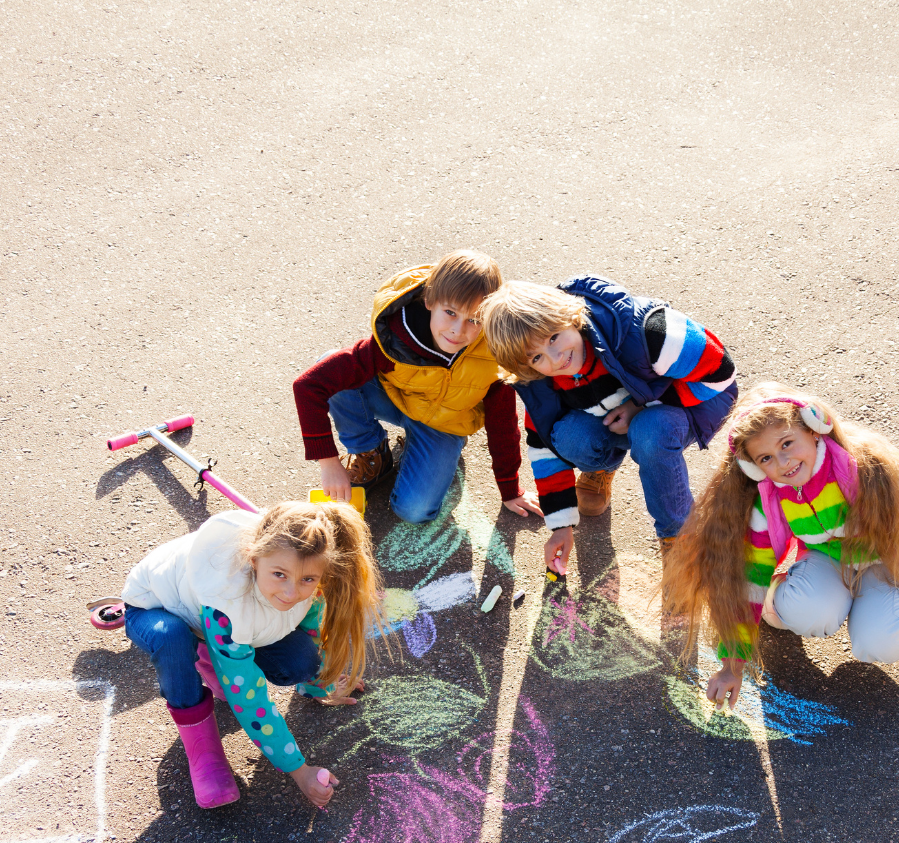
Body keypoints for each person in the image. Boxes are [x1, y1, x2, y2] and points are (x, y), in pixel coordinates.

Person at [662, 383, 899, 709]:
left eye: (787, 443)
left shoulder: (874, 473)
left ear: (815, 429)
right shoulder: (770, 498)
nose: (783, 461)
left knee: (879, 641)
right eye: (766, 457)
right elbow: (752, 574)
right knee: (801, 611)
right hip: (827, 558)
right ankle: (782, 599)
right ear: (753, 467)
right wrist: (733, 664)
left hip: (890, 562)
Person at [121, 502, 381, 809]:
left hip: (221, 619)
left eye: (307, 580)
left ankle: (213, 652)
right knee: (173, 639)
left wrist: (319, 682)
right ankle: (204, 752)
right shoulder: (227, 606)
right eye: (279, 574)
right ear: (254, 560)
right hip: (154, 608)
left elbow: (311, 631)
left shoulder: (308, 574)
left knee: (300, 660)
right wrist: (298, 770)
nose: (291, 591)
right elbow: (248, 698)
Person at [480, 276, 738, 573]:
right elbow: (544, 446)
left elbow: (721, 372)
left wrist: (640, 404)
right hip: (619, 412)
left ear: (568, 315)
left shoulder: (647, 332)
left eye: (553, 337)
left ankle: (680, 539)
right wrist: (561, 526)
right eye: (537, 356)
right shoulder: (542, 380)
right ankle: (603, 466)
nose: (556, 358)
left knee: (650, 431)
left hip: (694, 401)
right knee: (566, 435)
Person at [293, 250, 539, 522]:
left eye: (474, 320)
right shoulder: (396, 336)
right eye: (450, 312)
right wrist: (328, 462)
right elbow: (308, 386)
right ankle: (371, 452)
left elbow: (503, 421)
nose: (458, 330)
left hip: (445, 424)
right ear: (429, 300)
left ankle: (434, 451)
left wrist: (510, 488)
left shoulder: (494, 353)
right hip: (397, 398)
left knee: (414, 511)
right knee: (330, 366)